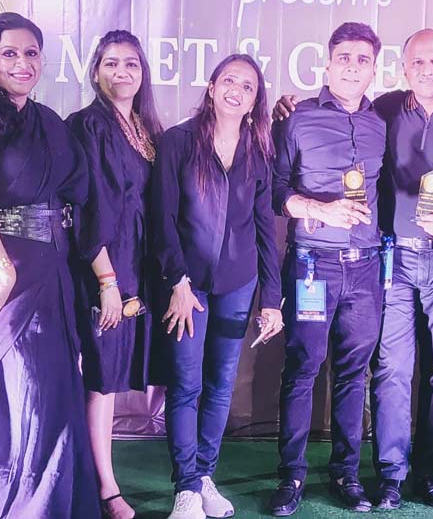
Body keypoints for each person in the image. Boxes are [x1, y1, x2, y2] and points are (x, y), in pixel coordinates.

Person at [273, 28, 433, 511]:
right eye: (418, 62)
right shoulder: (385, 110)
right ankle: (387, 475)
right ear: (401, 67)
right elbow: (278, 184)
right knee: (389, 368)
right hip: (379, 260)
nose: (428, 70)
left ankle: (427, 475)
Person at [0, 12, 99, 518]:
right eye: (10, 52)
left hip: (51, 272)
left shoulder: (48, 121)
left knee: (52, 397)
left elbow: (80, 193)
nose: (22, 62)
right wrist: (4, 269)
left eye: (31, 52)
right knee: (15, 398)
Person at [151, 53, 283, 519]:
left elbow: (265, 230)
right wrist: (177, 280)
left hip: (238, 284)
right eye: (229, 80)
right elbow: (163, 218)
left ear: (255, 101)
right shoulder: (178, 142)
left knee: (221, 384)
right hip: (187, 286)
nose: (236, 90)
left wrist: (272, 299)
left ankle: (204, 476)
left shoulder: (259, 151)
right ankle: (185, 488)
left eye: (247, 87)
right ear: (211, 87)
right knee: (185, 384)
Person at [268, 22, 385, 516]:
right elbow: (274, 192)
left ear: (374, 67)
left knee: (353, 374)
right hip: (313, 265)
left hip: (366, 269)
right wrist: (320, 209)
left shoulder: (383, 122)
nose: (353, 66)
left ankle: (345, 474)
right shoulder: (296, 119)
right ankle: (291, 476)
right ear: (328, 62)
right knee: (303, 370)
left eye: (363, 59)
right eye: (344, 57)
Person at [66, 29, 162, 519]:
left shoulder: (146, 128)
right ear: (95, 70)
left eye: (131, 63)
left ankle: (95, 477)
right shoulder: (89, 126)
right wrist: (106, 281)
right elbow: (88, 207)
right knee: (100, 379)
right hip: (103, 266)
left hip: (137, 265)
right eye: (110, 63)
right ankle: (104, 487)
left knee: (110, 375)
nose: (121, 72)